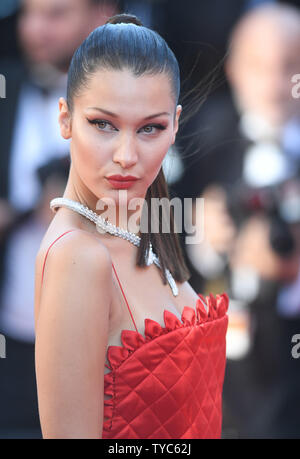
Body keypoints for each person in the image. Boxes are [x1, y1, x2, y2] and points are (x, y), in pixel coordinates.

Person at [34, 13, 229, 439]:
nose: (126, 154)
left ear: (174, 125)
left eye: (150, 128)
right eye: (103, 124)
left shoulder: (149, 226)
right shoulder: (77, 257)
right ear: (65, 118)